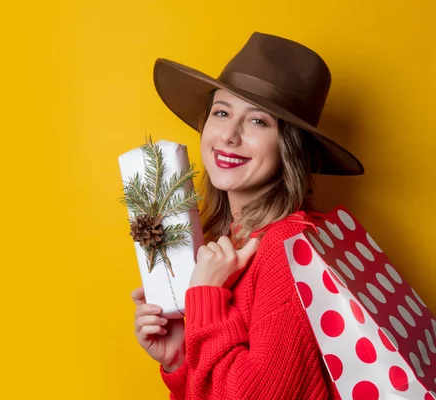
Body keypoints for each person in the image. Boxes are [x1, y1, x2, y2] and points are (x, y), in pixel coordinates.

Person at [131, 32, 364, 399]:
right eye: (222, 112)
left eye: (258, 122)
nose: (230, 136)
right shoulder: (227, 241)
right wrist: (180, 360)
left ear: (289, 148)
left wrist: (205, 296)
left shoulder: (289, 247)